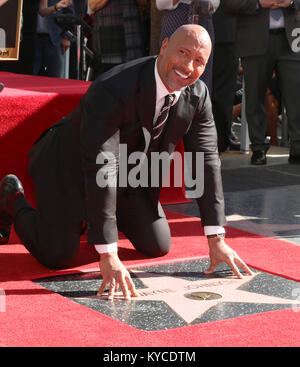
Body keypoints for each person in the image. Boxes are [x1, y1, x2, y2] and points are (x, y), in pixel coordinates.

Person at [0, 25, 253, 300]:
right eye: (183, 52)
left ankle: (93, 217)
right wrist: (108, 252)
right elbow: (101, 166)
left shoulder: (197, 95)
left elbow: (205, 162)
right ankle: (12, 197)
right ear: (164, 44)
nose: (189, 66)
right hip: (69, 168)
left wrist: (216, 239)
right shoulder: (113, 88)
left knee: (157, 245)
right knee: (58, 254)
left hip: (129, 178)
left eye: (199, 61)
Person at [222, 0, 300, 165]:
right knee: (254, 97)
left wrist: (291, 2)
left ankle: (297, 148)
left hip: (293, 39)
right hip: (253, 40)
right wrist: (258, 2)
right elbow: (229, 4)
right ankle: (258, 147)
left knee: (296, 96)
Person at [156, 0, 220, 94]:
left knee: (201, 73)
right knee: (169, 70)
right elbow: (160, 3)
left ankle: (197, 106)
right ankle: (166, 105)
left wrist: (205, 5)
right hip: (174, 21)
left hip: (202, 20)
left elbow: (214, 4)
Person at [88, 0, 145, 78]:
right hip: (108, 36)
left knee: (135, 78)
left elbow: (143, 2)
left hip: (132, 33)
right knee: (108, 80)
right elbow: (92, 5)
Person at [211, 4, 240, 153]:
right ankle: (218, 140)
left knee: (225, 93)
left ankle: (223, 137)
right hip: (219, 32)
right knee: (219, 92)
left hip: (227, 33)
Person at [33, 0, 74, 78]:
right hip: (32, 38)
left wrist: (66, 36)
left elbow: (70, 15)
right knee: (30, 77)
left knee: (55, 76)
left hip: (55, 38)